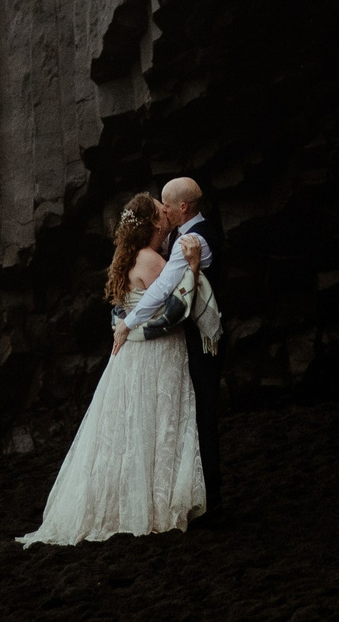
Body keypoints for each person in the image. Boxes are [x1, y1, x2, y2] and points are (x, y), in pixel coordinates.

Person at [15, 192, 206, 545]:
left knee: (126, 429)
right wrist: (193, 269)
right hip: (156, 353)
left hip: (129, 356)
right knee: (153, 422)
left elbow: (118, 313)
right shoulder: (153, 261)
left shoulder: (126, 257)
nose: (166, 215)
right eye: (160, 213)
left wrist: (127, 332)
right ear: (153, 224)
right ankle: (153, 505)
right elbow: (177, 308)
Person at [117, 176, 224, 522]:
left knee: (202, 418)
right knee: (188, 417)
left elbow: (164, 288)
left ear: (182, 208)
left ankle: (212, 504)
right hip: (185, 343)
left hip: (201, 343)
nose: (162, 209)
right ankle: (200, 497)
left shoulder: (194, 240)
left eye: (166, 203)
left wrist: (128, 322)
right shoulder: (181, 237)